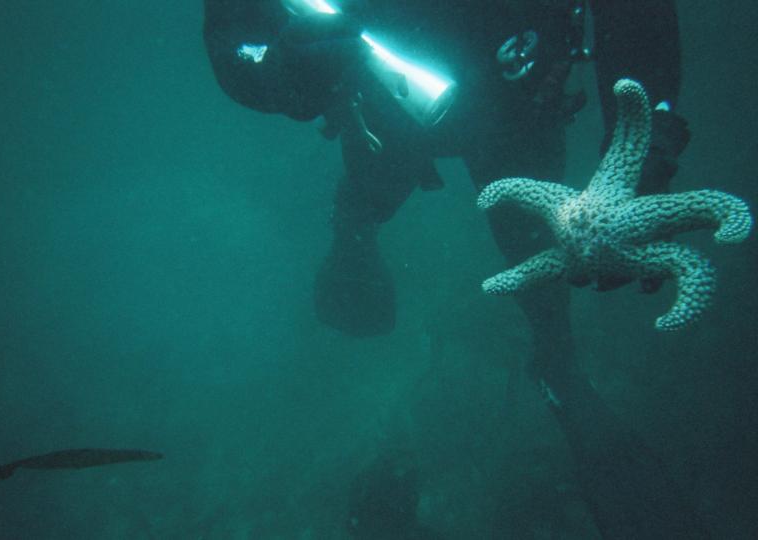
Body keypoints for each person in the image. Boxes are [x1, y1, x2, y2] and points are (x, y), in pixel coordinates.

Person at [204, 1, 707, 537]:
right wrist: (281, 74)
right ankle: (357, 237)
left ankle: (558, 366)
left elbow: (635, 14)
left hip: (515, 109)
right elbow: (237, 31)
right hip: (382, 105)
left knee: (536, 259)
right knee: (379, 188)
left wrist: (643, 146)